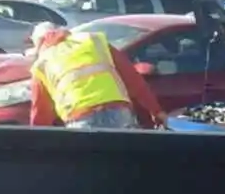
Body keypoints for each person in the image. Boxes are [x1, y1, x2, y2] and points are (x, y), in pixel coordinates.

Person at [27, 25, 165, 130]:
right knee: (123, 162)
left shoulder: (41, 64)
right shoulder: (93, 41)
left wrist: (35, 144)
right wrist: (156, 111)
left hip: (80, 118)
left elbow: (41, 113)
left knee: (91, 165)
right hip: (118, 110)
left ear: (39, 45)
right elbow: (133, 80)